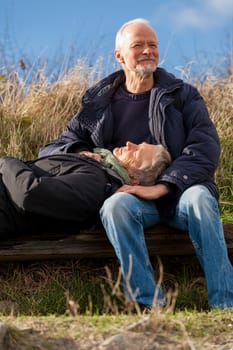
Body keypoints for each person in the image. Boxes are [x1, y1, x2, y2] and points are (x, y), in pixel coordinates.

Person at [39, 18, 233, 309]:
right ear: (119, 56)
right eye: (138, 45)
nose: (147, 51)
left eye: (153, 45)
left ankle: (226, 304)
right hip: (130, 199)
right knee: (114, 206)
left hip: (181, 193)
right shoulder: (98, 102)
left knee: (201, 199)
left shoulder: (181, 94)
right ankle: (148, 305)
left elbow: (205, 146)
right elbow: (53, 148)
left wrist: (164, 186)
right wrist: (83, 152)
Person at [0, 142, 171, 237]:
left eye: (136, 153)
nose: (129, 144)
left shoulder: (96, 182)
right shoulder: (96, 165)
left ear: (134, 179)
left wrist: (7, 161)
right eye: (137, 144)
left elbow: (29, 194)